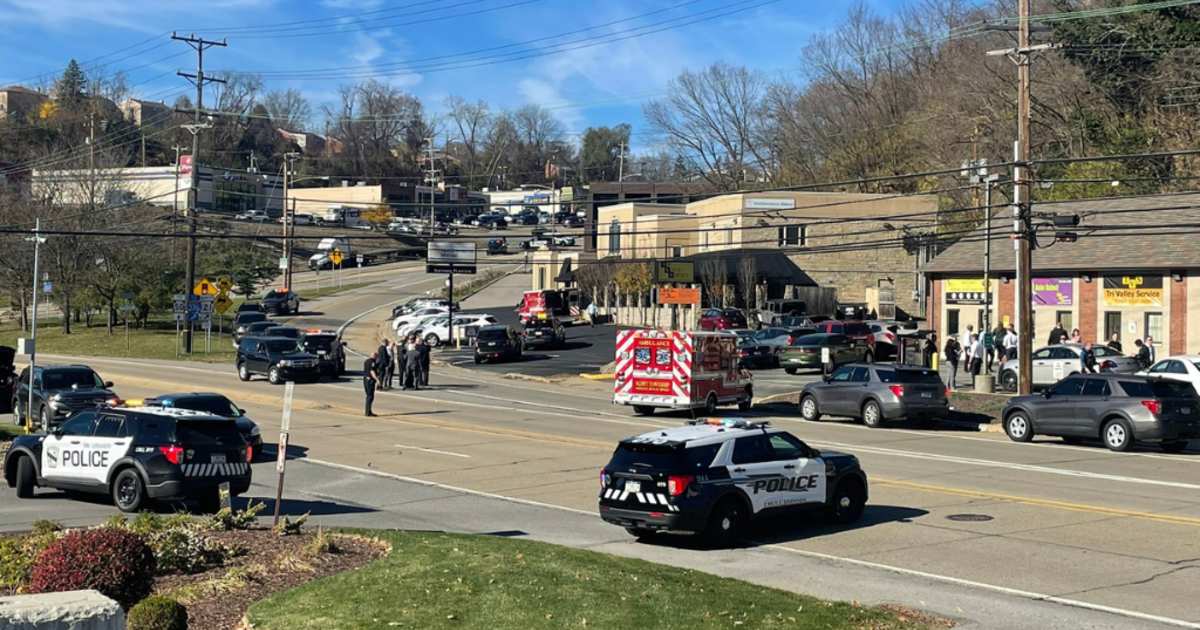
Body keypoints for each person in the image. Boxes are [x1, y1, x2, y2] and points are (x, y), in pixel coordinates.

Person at [363, 352, 381, 417]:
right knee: (370, 396)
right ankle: (368, 412)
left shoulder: (366, 361)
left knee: (368, 396)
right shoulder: (372, 362)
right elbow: (372, 371)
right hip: (370, 380)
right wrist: (376, 379)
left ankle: (368, 411)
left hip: (365, 379)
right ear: (375, 356)